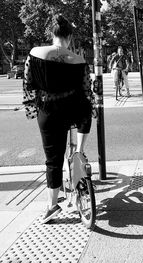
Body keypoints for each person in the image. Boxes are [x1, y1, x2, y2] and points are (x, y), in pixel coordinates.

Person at [22, 14, 95, 223]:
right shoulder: (78, 59)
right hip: (74, 109)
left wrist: (33, 109)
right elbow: (86, 90)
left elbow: (28, 83)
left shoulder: (35, 53)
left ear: (50, 34)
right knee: (85, 110)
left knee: (53, 161)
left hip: (49, 112)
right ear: (69, 37)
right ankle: (80, 154)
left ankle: (52, 206)